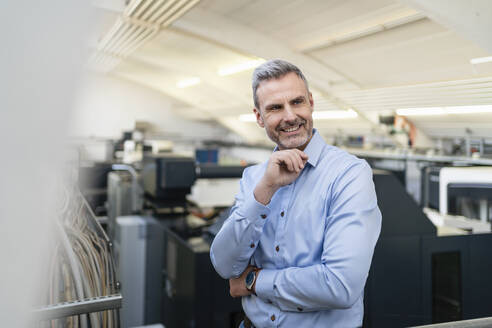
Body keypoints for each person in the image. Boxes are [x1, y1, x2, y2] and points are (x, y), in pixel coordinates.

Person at [210, 59, 381, 328]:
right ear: (259, 117)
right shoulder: (254, 178)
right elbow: (224, 265)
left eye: (297, 102)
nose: (290, 116)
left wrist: (254, 281)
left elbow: (340, 285)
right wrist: (264, 190)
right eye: (275, 108)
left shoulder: (349, 174)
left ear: (311, 103)